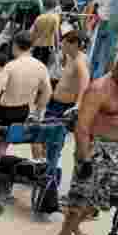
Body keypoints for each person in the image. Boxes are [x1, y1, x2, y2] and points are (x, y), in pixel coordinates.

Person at [57, 48, 118, 235]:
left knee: (105, 194)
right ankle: (64, 234)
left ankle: (75, 227)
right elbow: (82, 126)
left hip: (116, 147)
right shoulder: (99, 89)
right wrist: (85, 158)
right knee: (82, 192)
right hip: (93, 146)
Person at [0, 31, 52, 193]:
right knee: (3, 145)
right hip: (23, 112)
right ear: (31, 47)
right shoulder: (41, 67)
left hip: (3, 111)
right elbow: (48, 92)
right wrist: (38, 112)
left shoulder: (11, 65)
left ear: (15, 46)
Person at [33, 30, 89, 161]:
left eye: (64, 43)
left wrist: (78, 105)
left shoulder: (79, 61)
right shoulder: (71, 57)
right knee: (43, 139)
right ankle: (45, 167)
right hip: (55, 103)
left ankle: (48, 169)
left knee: (48, 140)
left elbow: (85, 82)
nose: (61, 45)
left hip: (63, 107)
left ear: (74, 44)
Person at [30, 0, 61, 69]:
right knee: (45, 67)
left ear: (45, 6)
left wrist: (31, 45)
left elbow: (32, 33)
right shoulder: (55, 17)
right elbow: (56, 34)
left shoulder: (39, 18)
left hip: (37, 45)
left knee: (35, 66)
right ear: (54, 7)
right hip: (48, 45)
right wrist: (57, 48)